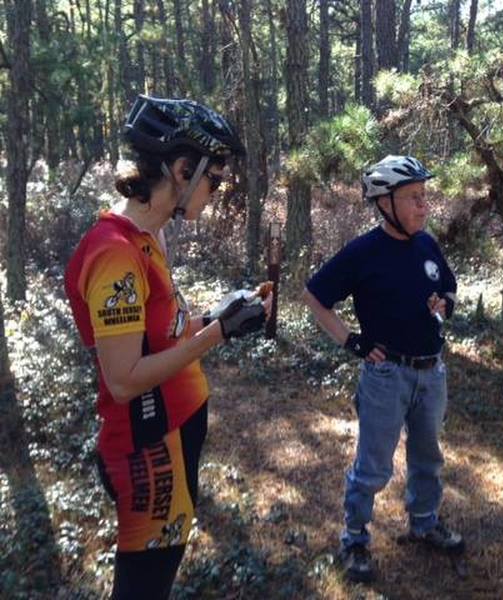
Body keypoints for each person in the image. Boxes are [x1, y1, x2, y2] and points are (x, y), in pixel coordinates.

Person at [65, 95, 270, 599]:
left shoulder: (145, 236)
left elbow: (162, 331)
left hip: (173, 437)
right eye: (213, 180)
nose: (215, 193)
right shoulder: (114, 253)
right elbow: (124, 377)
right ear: (181, 168)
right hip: (147, 447)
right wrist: (216, 335)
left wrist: (216, 318)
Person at [302, 155, 464, 583]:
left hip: (431, 372)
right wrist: (351, 340)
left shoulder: (427, 244)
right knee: (374, 465)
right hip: (386, 376)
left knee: (428, 455)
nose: (423, 206)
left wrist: (445, 302)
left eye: (424, 197)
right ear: (385, 203)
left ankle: (425, 520)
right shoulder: (363, 253)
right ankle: (355, 537)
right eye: (413, 198)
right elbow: (315, 296)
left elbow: (447, 286)